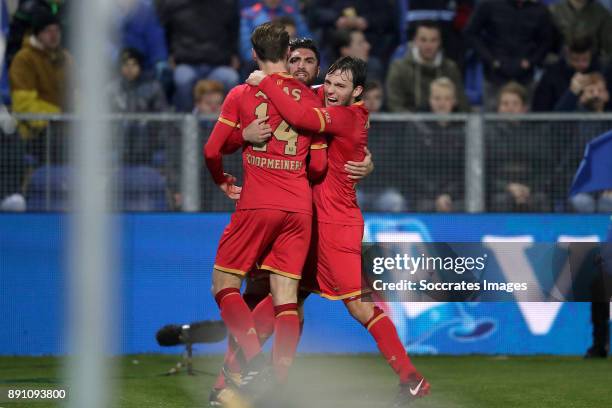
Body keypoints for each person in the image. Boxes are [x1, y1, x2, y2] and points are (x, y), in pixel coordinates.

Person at [247, 56, 430, 405]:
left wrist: (265, 81)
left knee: (360, 307)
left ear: (357, 92)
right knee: (289, 300)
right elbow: (304, 93)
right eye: (328, 82)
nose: (330, 91)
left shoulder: (349, 116)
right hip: (312, 222)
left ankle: (412, 379)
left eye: (340, 86)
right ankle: (267, 376)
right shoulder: (331, 100)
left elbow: (300, 114)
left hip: (336, 226)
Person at [207, 37, 374, 406]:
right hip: (283, 213)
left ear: (319, 70)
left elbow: (352, 127)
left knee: (285, 306)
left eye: (308, 60)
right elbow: (224, 142)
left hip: (299, 219)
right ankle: (242, 381)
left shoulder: (321, 98)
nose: (300, 65)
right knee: (264, 303)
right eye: (293, 58)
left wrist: (367, 158)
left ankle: (244, 385)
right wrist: (242, 135)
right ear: (283, 60)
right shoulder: (263, 90)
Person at [204, 23, 327, 396]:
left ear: (254, 54)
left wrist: (226, 173)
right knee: (286, 298)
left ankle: (254, 362)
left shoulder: (243, 92)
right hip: (300, 209)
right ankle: (278, 378)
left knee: (224, 285)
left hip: (258, 203)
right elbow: (320, 165)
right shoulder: (311, 98)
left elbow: (212, 150)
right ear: (287, 55)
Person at [464, 0, 554, 110]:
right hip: (494, 77)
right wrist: (491, 60)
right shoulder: (489, 4)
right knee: (492, 124)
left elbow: (547, 40)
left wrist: (531, 61)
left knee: (526, 125)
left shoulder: (540, 10)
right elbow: (471, 33)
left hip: (525, 77)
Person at [9, 11, 73, 163]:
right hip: (36, 134)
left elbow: (79, 94)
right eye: (48, 31)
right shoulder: (24, 59)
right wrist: (57, 115)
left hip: (66, 130)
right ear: (37, 34)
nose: (54, 35)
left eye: (57, 30)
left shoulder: (67, 58)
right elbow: (23, 104)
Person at [156, 0, 240, 111]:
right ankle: (186, 124)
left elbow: (234, 32)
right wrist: (170, 54)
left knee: (231, 78)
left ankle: (227, 123)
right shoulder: (174, 5)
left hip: (217, 63)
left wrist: (234, 54)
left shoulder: (226, 5)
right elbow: (165, 33)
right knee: (183, 80)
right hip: (186, 63)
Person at [487, 82, 551, 212]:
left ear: (524, 108)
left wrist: (529, 188)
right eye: (505, 104)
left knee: (540, 199)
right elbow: (485, 173)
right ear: (498, 108)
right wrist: (507, 187)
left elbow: (544, 171)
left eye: (515, 104)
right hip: (500, 191)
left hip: (531, 189)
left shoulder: (536, 134)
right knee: (501, 201)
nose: (510, 108)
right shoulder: (488, 134)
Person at [386, 21, 469, 112]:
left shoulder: (450, 68)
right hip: (409, 125)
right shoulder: (399, 68)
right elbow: (394, 105)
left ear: (440, 42)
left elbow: (462, 104)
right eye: (423, 40)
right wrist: (418, 125)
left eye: (433, 40)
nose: (428, 46)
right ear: (415, 41)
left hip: (445, 124)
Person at [533, 36, 602, 112]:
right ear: (568, 57)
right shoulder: (552, 75)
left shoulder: (598, 74)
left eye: (585, 60)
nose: (580, 64)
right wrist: (572, 93)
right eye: (576, 60)